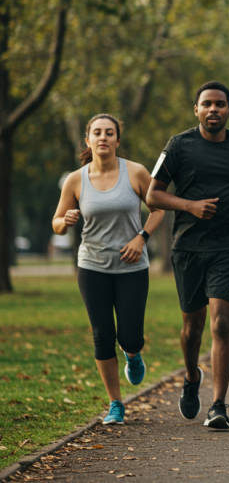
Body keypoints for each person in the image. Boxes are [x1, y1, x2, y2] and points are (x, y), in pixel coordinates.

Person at [147, 81, 229, 430]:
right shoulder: (179, 146)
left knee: (221, 323)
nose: (213, 109)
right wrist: (190, 206)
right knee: (192, 328)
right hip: (187, 247)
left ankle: (218, 405)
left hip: (228, 247)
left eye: (220, 104)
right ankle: (191, 376)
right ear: (196, 110)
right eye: (207, 104)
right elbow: (153, 195)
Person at [52, 114, 165, 426]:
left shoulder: (136, 172)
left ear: (117, 140)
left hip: (131, 267)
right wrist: (66, 221)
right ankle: (116, 403)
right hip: (92, 266)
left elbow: (158, 209)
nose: (103, 138)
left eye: (109, 133)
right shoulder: (75, 180)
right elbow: (57, 222)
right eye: (97, 133)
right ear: (88, 140)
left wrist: (141, 239)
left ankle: (133, 353)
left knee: (129, 336)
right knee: (102, 335)